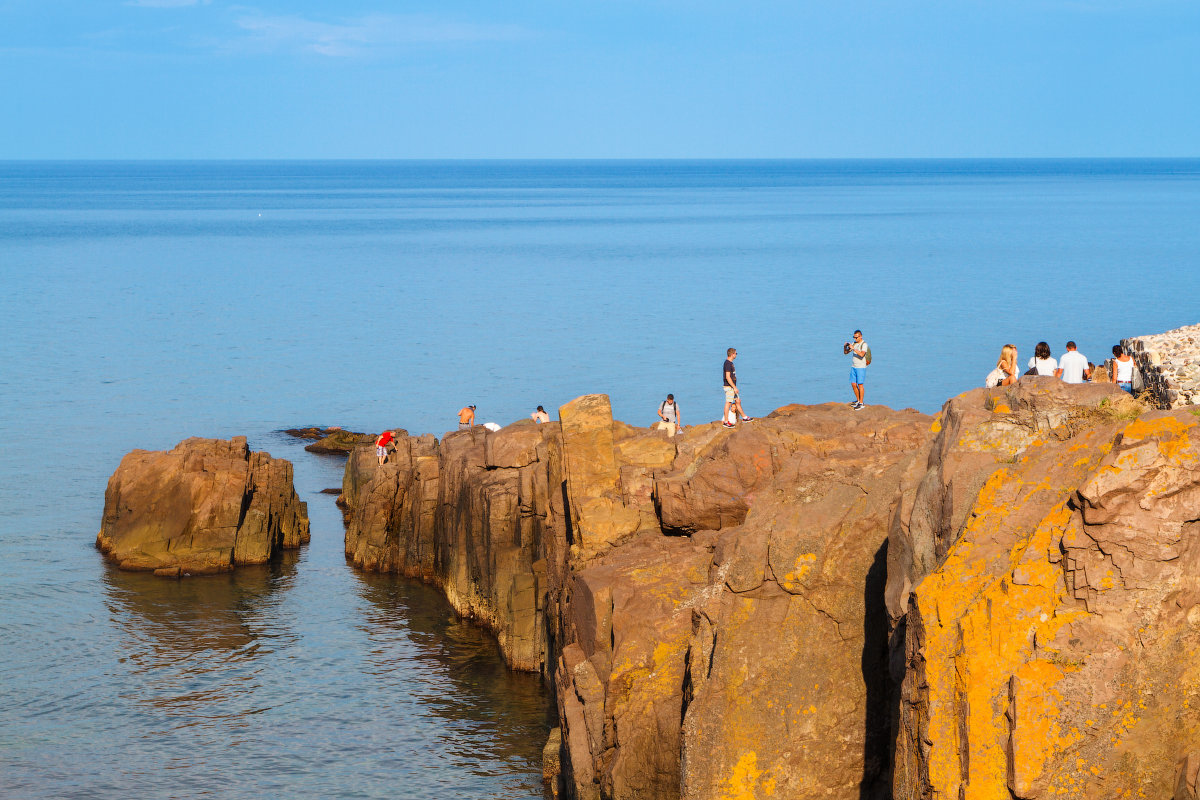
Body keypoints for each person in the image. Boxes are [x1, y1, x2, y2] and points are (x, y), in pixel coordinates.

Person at [722, 348, 752, 428]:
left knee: (738, 401)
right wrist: (734, 387)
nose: (736, 354)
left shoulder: (730, 363)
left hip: (732, 387)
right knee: (728, 403)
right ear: (732, 354)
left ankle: (744, 417)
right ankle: (726, 421)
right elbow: (728, 377)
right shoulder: (727, 363)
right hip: (729, 387)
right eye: (736, 353)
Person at [844, 330, 869, 409]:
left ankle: (861, 403)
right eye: (854, 337)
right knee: (853, 384)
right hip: (854, 367)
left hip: (861, 367)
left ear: (860, 336)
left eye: (856, 337)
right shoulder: (854, 343)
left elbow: (862, 354)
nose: (855, 338)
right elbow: (846, 353)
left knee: (860, 384)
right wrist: (845, 347)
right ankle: (858, 401)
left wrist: (853, 348)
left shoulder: (864, 344)